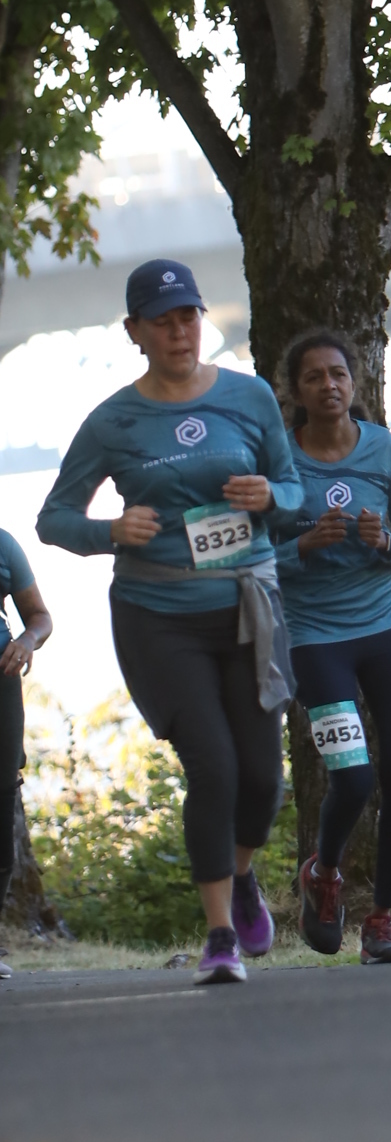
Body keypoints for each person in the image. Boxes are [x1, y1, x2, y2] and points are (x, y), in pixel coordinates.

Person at [38, 261, 301, 982]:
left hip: (247, 606)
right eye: (163, 321)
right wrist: (109, 531)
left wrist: (269, 495)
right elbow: (54, 518)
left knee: (262, 779)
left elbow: (294, 490)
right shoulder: (113, 421)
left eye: (188, 316)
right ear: (136, 332)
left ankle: (241, 875)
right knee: (213, 767)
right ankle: (219, 937)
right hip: (159, 616)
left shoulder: (249, 397)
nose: (180, 331)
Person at [272, 329, 391, 967]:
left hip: (387, 628)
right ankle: (324, 871)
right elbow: (255, 557)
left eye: (337, 374)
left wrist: (385, 543)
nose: (328, 386)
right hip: (316, 640)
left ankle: (382, 920)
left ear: (353, 382)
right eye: (314, 377)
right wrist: (302, 547)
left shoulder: (383, 448)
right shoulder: (279, 460)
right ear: (296, 390)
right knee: (354, 776)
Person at [0, 527, 56, 980]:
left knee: (1, 804)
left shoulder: (3, 544)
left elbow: (39, 615)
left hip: (1, 684)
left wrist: (27, 640)